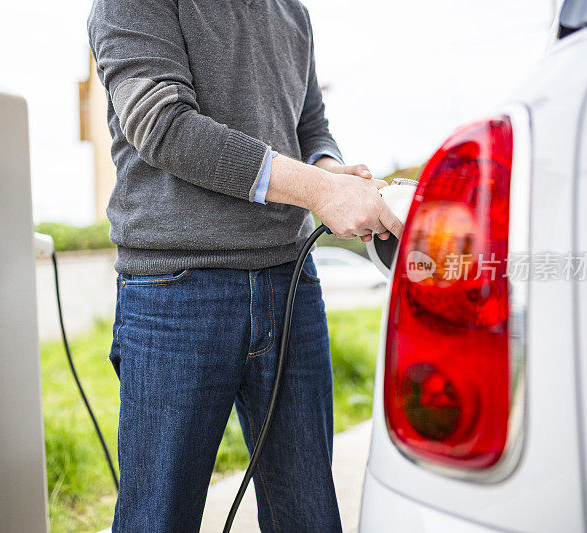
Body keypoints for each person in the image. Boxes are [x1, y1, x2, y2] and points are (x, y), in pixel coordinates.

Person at [88, 1, 403, 531]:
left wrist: (332, 172)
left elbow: (310, 125)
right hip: (175, 292)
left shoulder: (291, 12)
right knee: (158, 519)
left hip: (291, 284)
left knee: (308, 516)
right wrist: (320, 190)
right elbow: (162, 125)